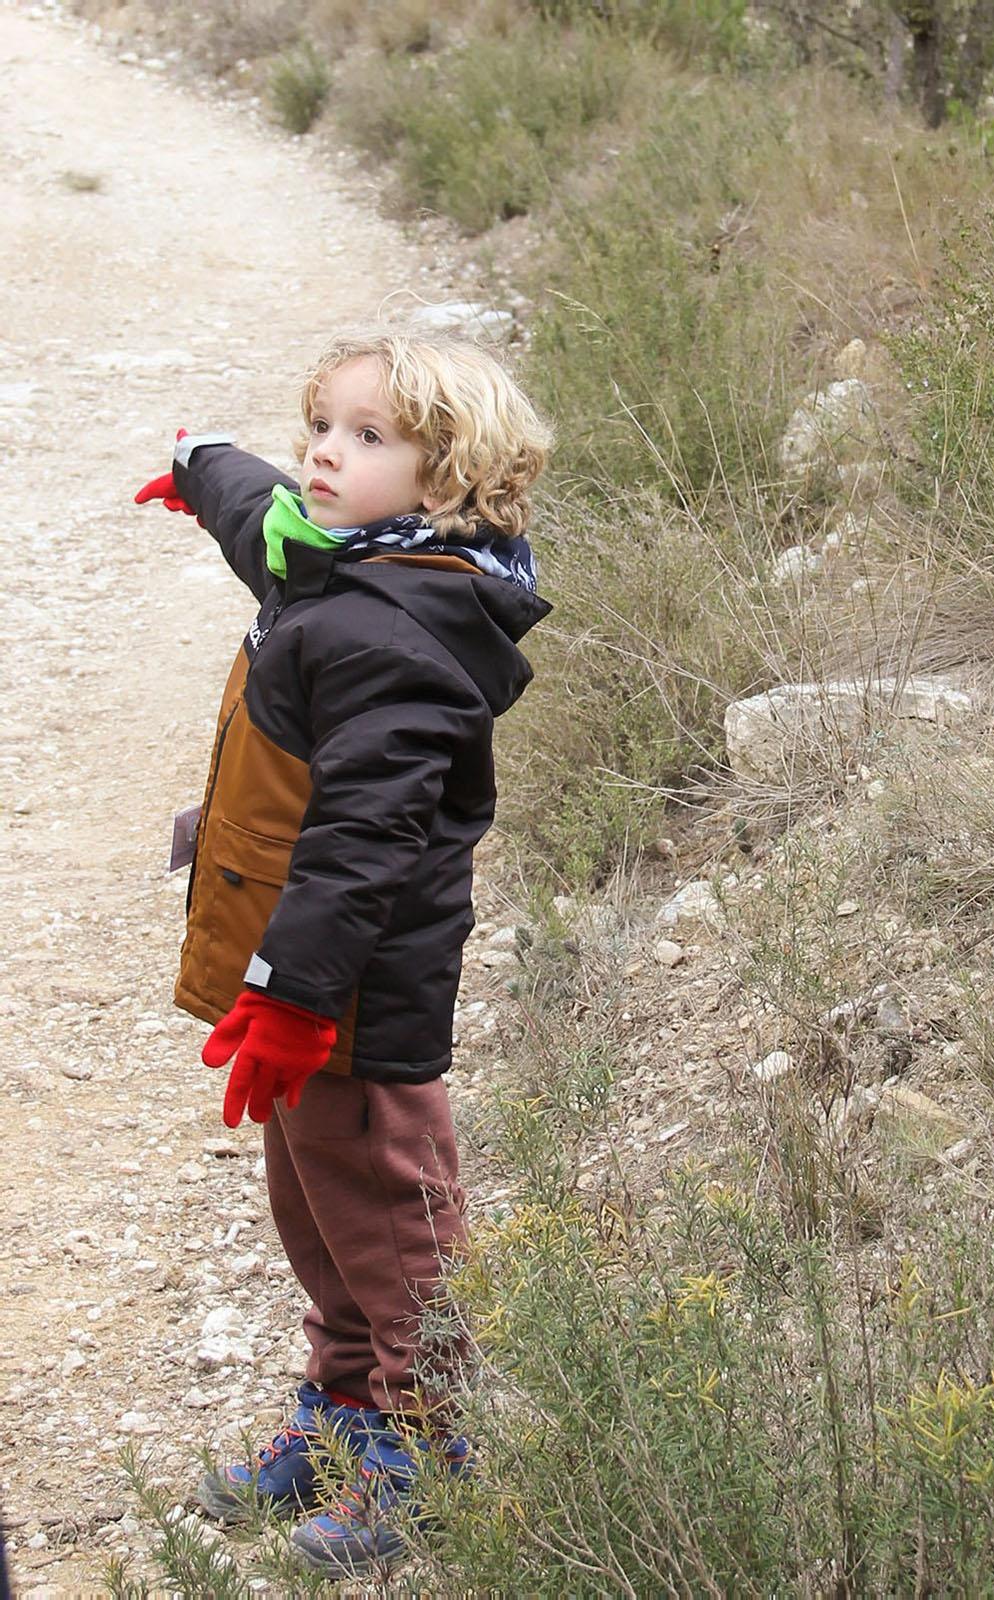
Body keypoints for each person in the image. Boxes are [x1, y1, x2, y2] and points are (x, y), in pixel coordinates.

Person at [134, 330, 553, 1574]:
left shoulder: (405, 634)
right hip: (302, 990)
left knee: (390, 1222)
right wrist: (200, 460)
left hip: (354, 1004)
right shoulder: (335, 558)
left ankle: (431, 1449)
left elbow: (365, 839)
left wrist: (294, 998)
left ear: (449, 479)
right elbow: (262, 511)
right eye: (322, 422)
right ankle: (344, 1409)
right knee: (314, 1213)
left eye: (368, 436)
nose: (324, 450)